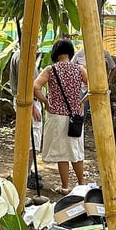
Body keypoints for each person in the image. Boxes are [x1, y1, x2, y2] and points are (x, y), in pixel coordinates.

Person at [33, 38, 89, 193]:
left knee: (62, 152)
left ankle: (65, 186)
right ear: (70, 53)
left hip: (56, 117)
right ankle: (81, 184)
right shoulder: (80, 69)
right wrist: (82, 101)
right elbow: (94, 87)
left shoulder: (50, 70)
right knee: (76, 150)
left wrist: (45, 102)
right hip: (75, 117)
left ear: (55, 53)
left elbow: (35, 87)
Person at [8, 47, 42, 189]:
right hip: (29, 102)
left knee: (29, 139)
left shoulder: (21, 54)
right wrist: (32, 106)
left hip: (27, 102)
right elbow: (26, 84)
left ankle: (26, 172)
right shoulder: (23, 56)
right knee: (31, 141)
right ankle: (25, 175)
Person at [73, 43, 116, 118]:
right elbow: (71, 68)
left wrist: (108, 82)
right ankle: (80, 128)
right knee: (81, 114)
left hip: (101, 89)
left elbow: (113, 67)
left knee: (101, 115)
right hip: (84, 88)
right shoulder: (79, 53)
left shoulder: (104, 53)